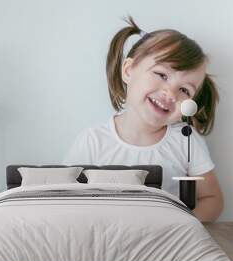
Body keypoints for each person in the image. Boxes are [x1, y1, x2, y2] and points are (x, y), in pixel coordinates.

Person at [62, 16, 223, 222]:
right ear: (129, 71)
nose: (170, 93)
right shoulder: (93, 141)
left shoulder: (186, 140)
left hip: (166, 243)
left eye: (184, 89)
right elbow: (66, 197)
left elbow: (212, 199)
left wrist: (182, 226)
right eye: (162, 75)